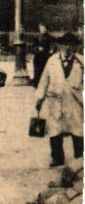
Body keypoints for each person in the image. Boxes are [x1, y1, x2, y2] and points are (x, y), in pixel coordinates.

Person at [34, 31, 83, 167]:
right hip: (55, 100)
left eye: (70, 45)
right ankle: (57, 158)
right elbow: (44, 79)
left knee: (77, 129)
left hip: (75, 101)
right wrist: (39, 98)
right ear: (60, 45)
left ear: (75, 47)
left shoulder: (81, 61)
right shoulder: (52, 60)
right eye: (65, 44)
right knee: (55, 130)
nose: (67, 48)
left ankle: (80, 158)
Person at [32, 25, 53, 89]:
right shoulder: (37, 37)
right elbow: (33, 46)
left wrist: (51, 51)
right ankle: (36, 83)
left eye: (44, 28)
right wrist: (37, 48)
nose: (43, 29)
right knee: (37, 70)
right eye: (41, 28)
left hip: (45, 56)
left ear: (46, 29)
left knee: (44, 70)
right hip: (38, 56)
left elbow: (53, 46)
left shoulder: (50, 37)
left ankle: (44, 84)